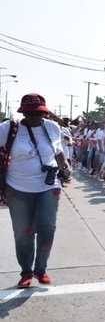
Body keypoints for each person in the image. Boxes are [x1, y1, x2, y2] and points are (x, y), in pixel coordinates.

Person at [0, 93, 70, 288]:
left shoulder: (52, 127)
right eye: (29, 113)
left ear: (44, 113)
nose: (33, 117)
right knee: (23, 232)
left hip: (48, 186)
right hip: (17, 187)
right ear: (22, 112)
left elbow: (58, 151)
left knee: (47, 226)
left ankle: (41, 268)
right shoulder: (9, 129)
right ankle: (26, 271)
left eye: (38, 113)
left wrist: (65, 167)